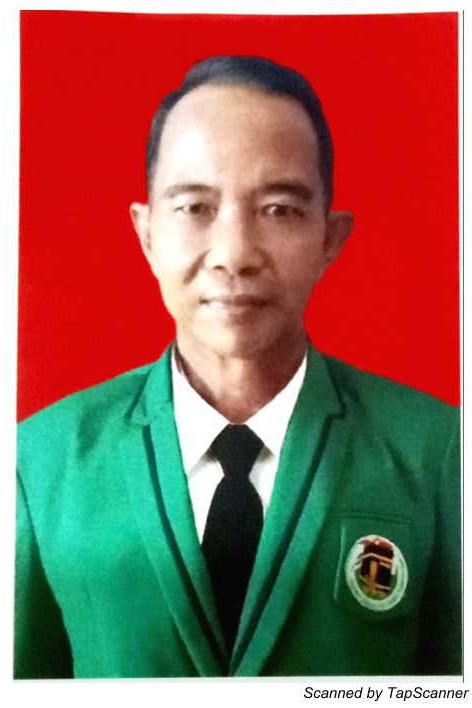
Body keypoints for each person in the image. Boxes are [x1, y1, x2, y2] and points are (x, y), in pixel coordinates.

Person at [15, 55, 461, 679]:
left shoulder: (440, 454)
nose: (234, 254)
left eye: (279, 209)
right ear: (146, 233)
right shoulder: (39, 463)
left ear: (331, 237)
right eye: (195, 207)